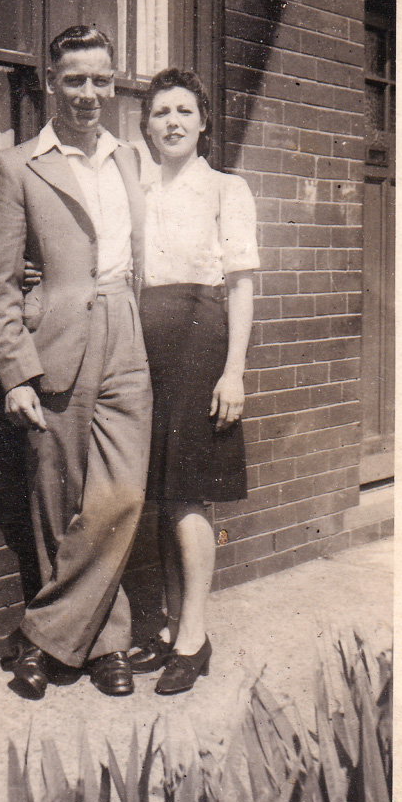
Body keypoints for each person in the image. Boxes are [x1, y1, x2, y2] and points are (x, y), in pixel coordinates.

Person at [0, 25, 152, 700]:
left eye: (101, 79)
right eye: (75, 79)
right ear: (51, 81)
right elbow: (0, 281)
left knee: (122, 495)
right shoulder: (18, 165)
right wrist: (16, 370)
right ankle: (104, 645)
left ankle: (37, 635)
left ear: (114, 83)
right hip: (55, 336)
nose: (89, 93)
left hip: (126, 334)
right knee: (60, 499)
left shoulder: (129, 159)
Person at [129, 68, 259, 695]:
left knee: (187, 491)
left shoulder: (226, 190)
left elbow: (241, 286)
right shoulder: (141, 190)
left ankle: (194, 636)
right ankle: (169, 627)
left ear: (204, 122)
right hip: (144, 341)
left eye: (185, 110)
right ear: (147, 125)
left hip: (200, 341)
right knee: (157, 489)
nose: (173, 121)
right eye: (160, 112)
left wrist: (233, 370)